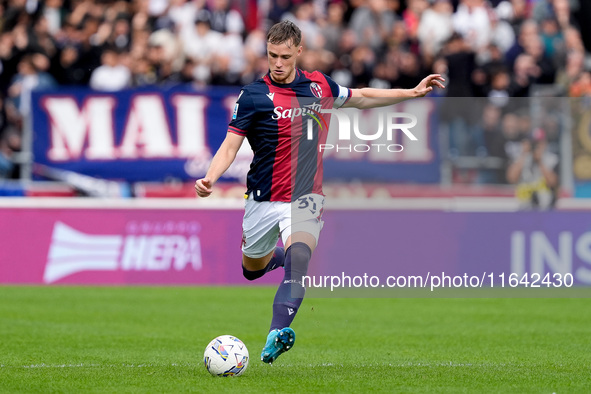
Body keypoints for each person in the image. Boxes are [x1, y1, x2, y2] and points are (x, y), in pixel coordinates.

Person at [194, 20, 444, 364]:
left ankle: (274, 334)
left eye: (284, 56)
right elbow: (230, 146)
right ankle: (276, 261)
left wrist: (411, 93)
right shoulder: (252, 96)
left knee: (299, 263)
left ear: (299, 51)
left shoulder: (318, 85)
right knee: (251, 269)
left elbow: (362, 97)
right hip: (262, 200)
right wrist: (210, 178)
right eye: (271, 56)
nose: (277, 63)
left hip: (306, 197)